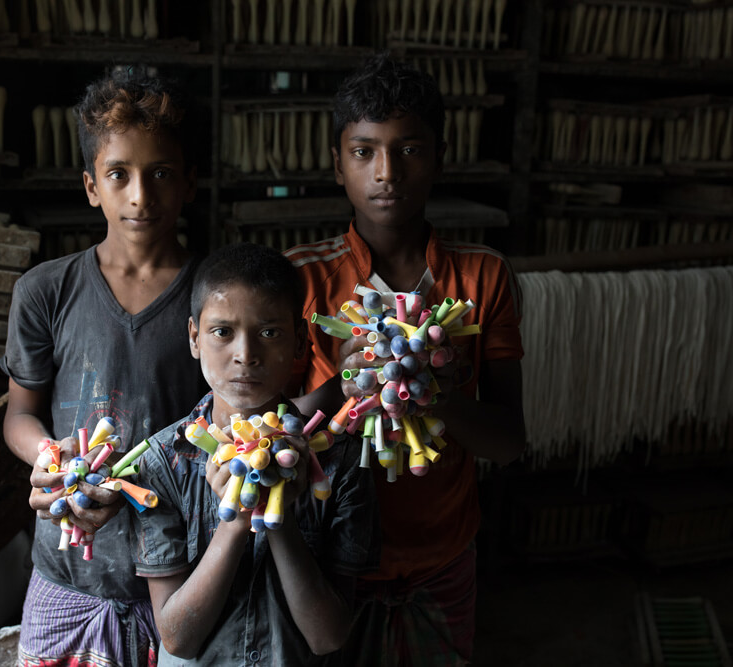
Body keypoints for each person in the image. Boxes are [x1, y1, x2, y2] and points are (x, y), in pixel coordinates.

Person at [284, 53, 527, 666]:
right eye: (364, 151)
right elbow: (271, 441)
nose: (386, 172)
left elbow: (509, 440)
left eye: (409, 149)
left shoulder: (481, 276)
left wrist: (436, 392)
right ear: (338, 164)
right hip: (329, 558)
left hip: (441, 557)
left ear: (439, 158)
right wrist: (345, 381)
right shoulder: (300, 280)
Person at [0, 65, 209, 667]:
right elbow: (20, 414)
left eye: (161, 173)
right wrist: (52, 457)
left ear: (190, 181)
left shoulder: (215, 298)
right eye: (119, 175)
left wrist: (152, 483)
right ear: (91, 185)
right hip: (66, 571)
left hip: (176, 576)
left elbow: (230, 424)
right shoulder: (46, 291)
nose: (140, 195)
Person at [131, 243, 379, 666]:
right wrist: (236, 520)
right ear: (195, 338)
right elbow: (176, 639)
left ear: (300, 340)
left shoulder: (342, 462)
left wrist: (276, 514)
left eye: (269, 332)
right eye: (222, 332)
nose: (245, 354)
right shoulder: (161, 463)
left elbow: (328, 636)